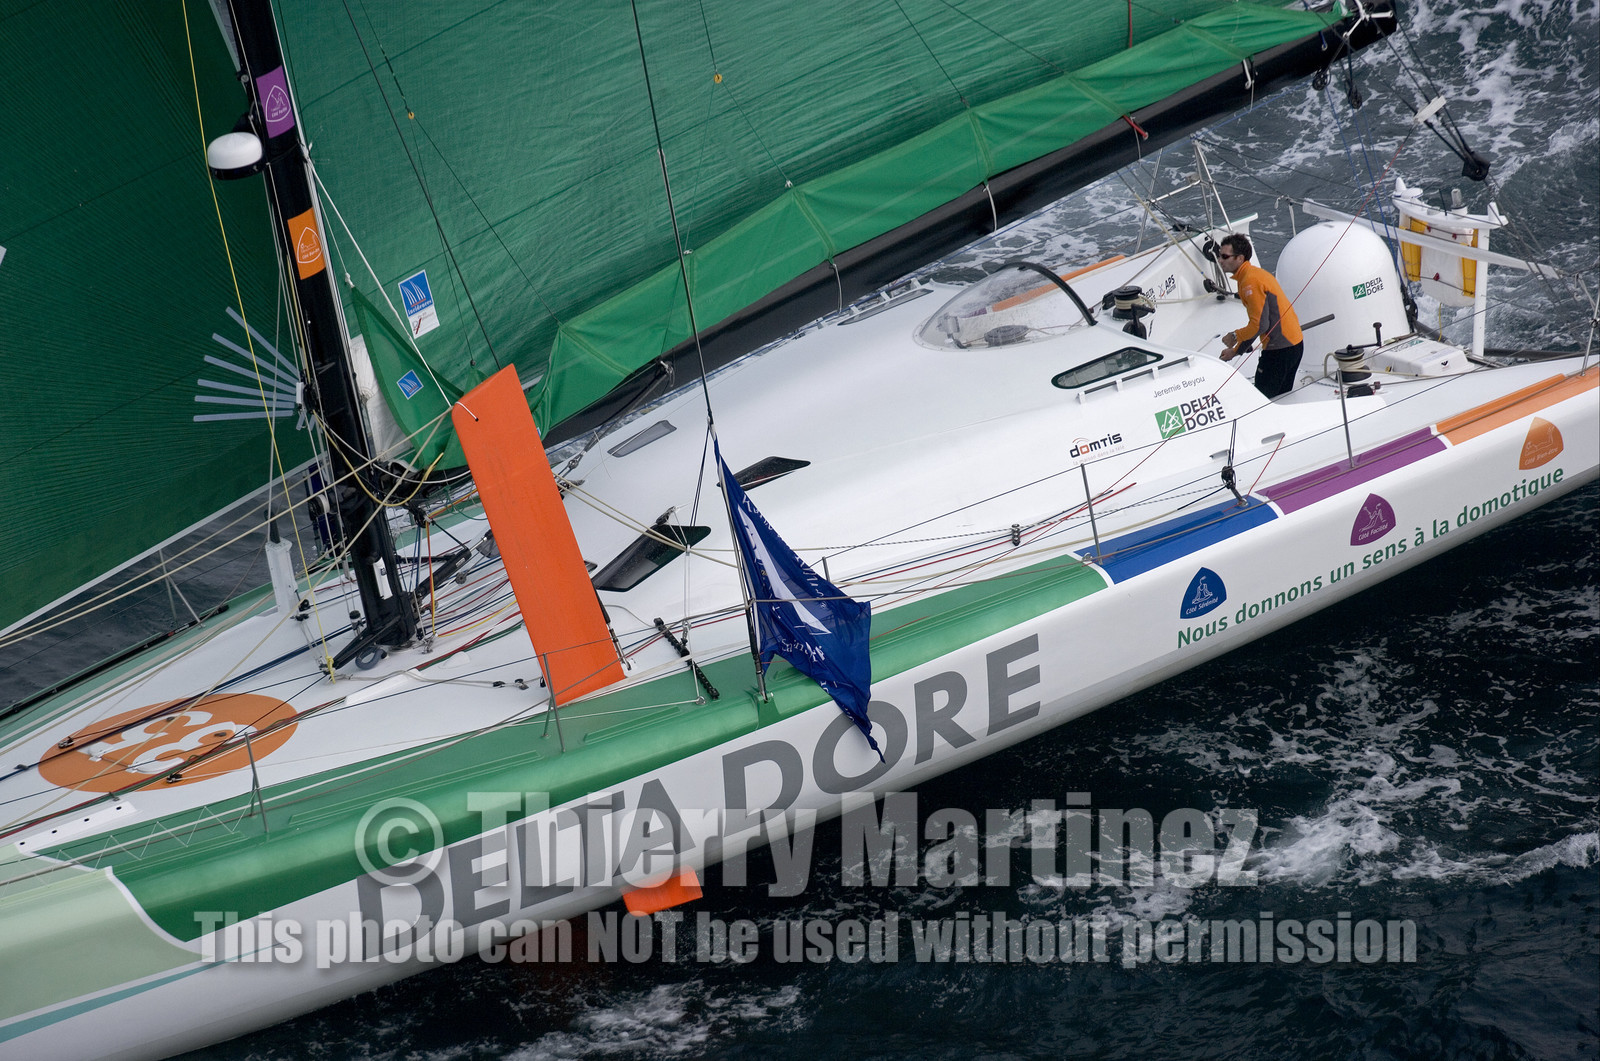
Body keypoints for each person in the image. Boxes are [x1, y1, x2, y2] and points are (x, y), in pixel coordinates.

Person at [1216, 233, 1304, 398]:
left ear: (1240, 258)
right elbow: (1259, 324)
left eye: (1225, 256)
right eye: (1219, 256)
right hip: (1294, 345)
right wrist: (1235, 351)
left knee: (1262, 401)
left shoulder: (1250, 282)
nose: (1220, 260)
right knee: (1280, 399)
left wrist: (1235, 336)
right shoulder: (1253, 274)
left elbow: (1259, 326)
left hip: (1279, 352)